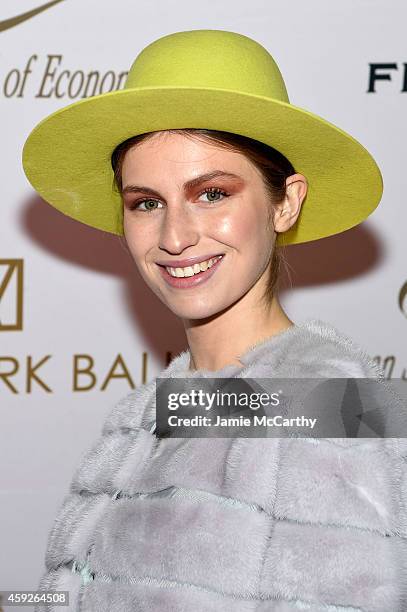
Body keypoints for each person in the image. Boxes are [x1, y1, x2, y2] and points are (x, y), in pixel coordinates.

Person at [22, 29, 406, 611]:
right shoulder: (151, 411)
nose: (175, 237)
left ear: (286, 202)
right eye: (146, 203)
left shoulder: (328, 403)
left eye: (212, 194)